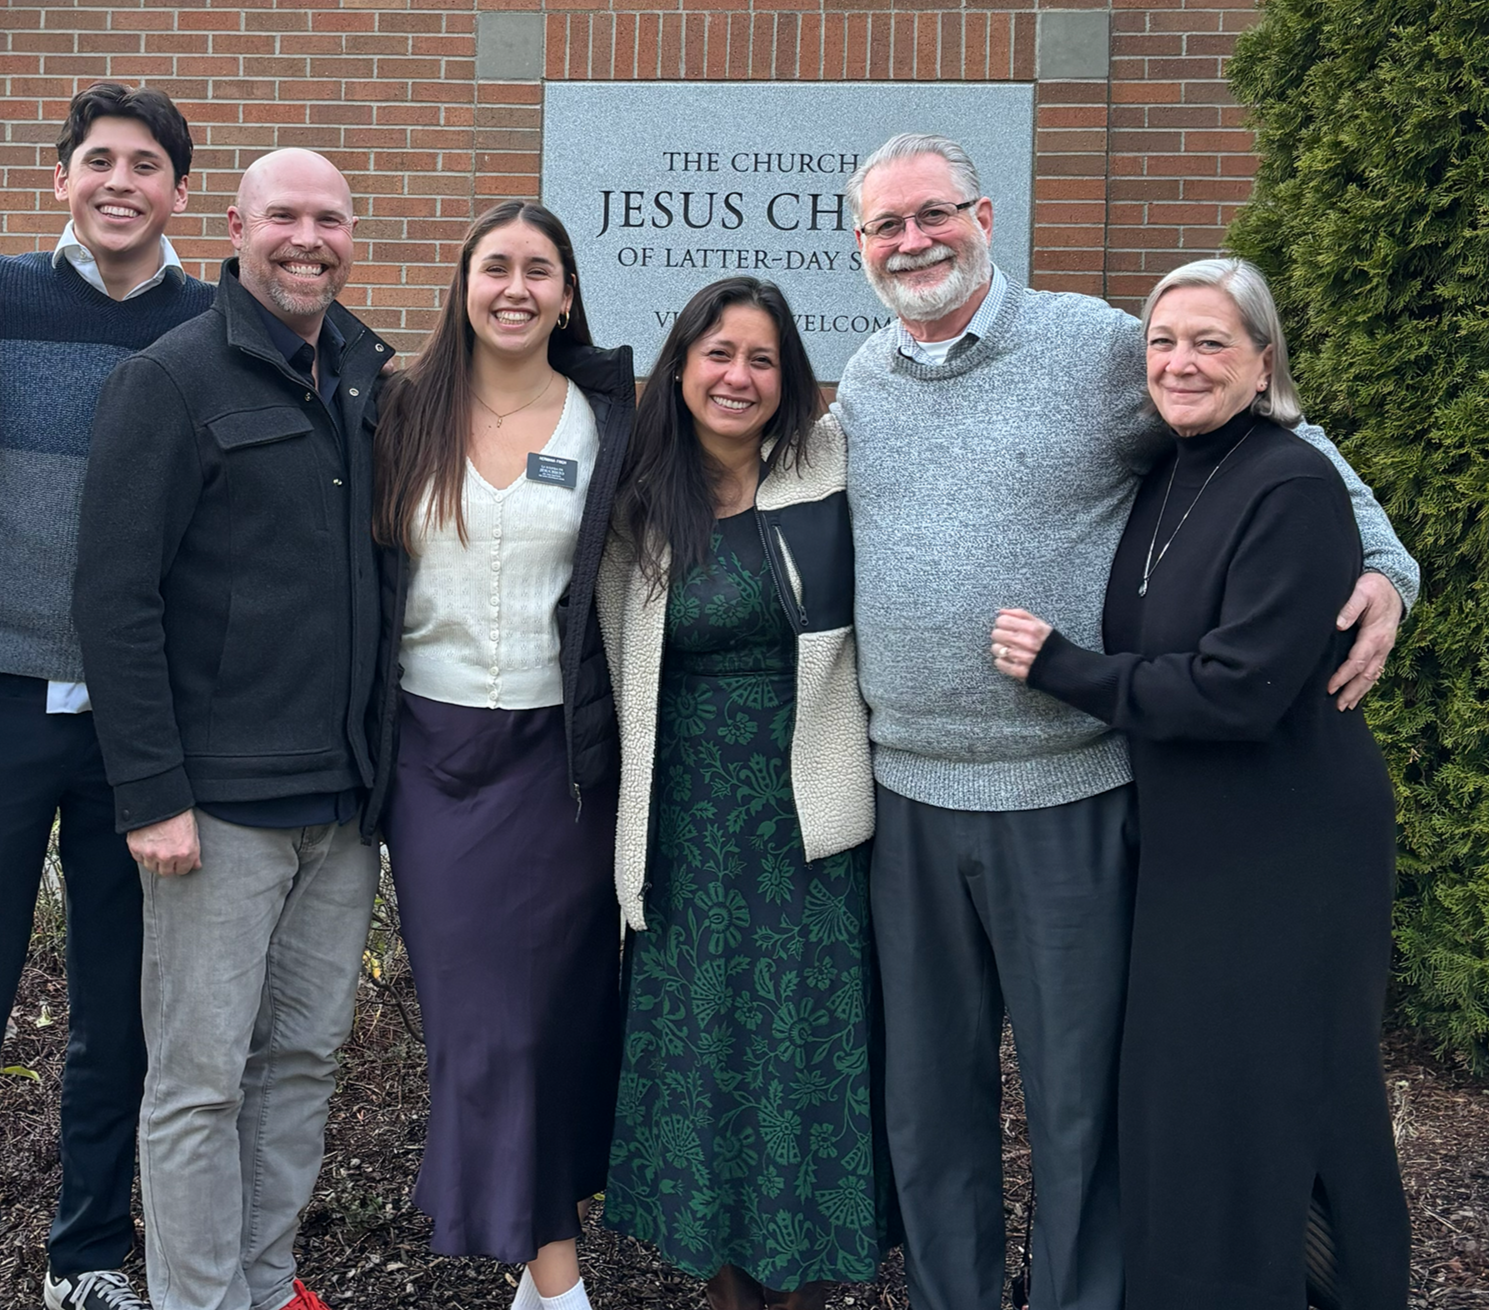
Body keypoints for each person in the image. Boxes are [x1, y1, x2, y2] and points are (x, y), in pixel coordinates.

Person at [833, 134, 1419, 1310]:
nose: (913, 243)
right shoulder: (862, 379)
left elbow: (1280, 434)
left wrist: (1388, 564)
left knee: (1078, 1107)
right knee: (926, 1104)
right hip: (907, 796)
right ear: (860, 249)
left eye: (933, 215)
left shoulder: (1093, 346)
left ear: (984, 216)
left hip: (1068, 792)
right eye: (885, 228)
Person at [991, 257, 1409, 1310]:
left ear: (1264, 360)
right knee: (1194, 1100)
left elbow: (1239, 692)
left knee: (1292, 1100)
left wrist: (1061, 668)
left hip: (1291, 845)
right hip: (1189, 844)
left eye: (1210, 341)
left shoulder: (1293, 482)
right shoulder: (1170, 468)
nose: (1181, 362)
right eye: (1164, 342)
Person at [0, 82, 215, 1310]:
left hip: (139, 718)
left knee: (116, 1010)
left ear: (180, 193)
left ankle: (85, 1255)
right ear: (61, 180)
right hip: (0, 700)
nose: (121, 183)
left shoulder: (212, 321)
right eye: (98, 161)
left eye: (146, 165)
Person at [71, 147, 390, 1310]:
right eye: (286, 217)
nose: (309, 239)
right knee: (200, 1081)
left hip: (341, 806)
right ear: (240, 229)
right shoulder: (173, 378)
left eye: (331, 218)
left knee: (301, 1065)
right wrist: (149, 791)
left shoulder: (363, 371)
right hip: (214, 808)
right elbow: (114, 598)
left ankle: (263, 1283)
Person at [596, 278, 893, 1310]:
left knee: (807, 1062)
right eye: (719, 354)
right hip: (682, 830)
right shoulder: (635, 496)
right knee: (708, 1063)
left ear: (791, 379)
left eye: (763, 359)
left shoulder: (835, 463)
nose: (739, 377)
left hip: (807, 817)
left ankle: (808, 1294)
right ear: (679, 368)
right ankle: (728, 1295)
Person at [367, 201, 633, 1310]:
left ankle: (548, 1275)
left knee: (549, 1016)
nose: (516, 287)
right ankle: (552, 1274)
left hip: (561, 760)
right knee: (479, 1019)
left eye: (540, 269)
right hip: (432, 759)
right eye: (495, 267)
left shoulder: (614, 420)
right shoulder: (397, 409)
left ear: (568, 293)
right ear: (464, 284)